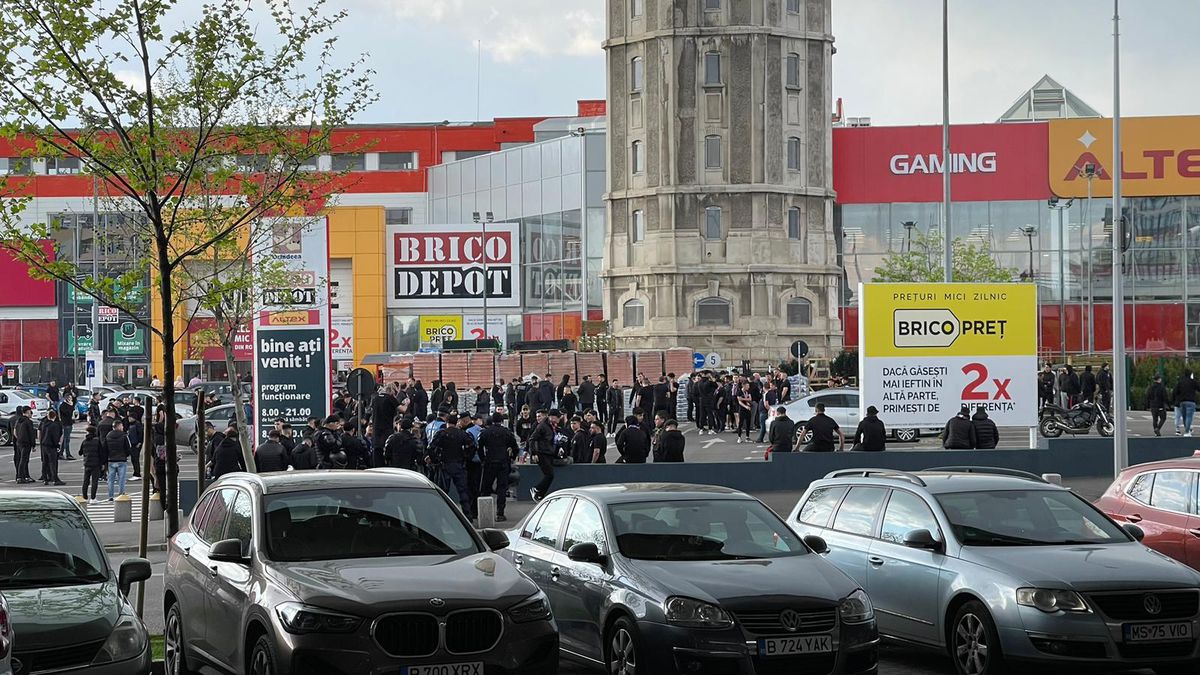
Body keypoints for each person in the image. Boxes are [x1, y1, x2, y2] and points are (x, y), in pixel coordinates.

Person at [428, 411, 477, 516]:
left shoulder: (442, 433)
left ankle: (442, 515)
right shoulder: (462, 434)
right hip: (459, 464)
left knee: (443, 492)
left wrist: (436, 459)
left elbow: (431, 448)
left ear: (447, 421)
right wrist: (467, 456)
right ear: (457, 422)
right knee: (463, 491)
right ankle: (468, 515)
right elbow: (472, 446)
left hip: (445, 464)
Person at [478, 414, 519, 522]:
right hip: (503, 462)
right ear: (501, 421)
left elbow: (479, 447)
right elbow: (515, 447)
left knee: (486, 488)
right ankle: (500, 513)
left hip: (489, 461)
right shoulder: (507, 432)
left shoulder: (485, 432)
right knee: (502, 488)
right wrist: (511, 457)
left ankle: (484, 513)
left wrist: (483, 459)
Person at [528, 409, 558, 501]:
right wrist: (534, 453)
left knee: (550, 475)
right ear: (551, 417)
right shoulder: (542, 426)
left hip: (548, 452)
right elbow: (532, 439)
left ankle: (540, 493)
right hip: (542, 453)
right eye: (557, 417)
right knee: (549, 474)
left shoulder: (551, 426)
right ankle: (537, 489)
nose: (558, 419)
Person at [370, 385, 399, 466]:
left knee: (377, 453)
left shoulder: (375, 399)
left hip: (376, 432)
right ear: (392, 391)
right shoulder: (390, 398)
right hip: (387, 431)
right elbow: (402, 409)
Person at [105, 419, 131, 500]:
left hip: (111, 459)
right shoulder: (124, 435)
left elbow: (105, 448)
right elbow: (128, 448)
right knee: (122, 479)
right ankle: (121, 494)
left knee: (111, 479)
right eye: (122, 425)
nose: (123, 427)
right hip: (121, 459)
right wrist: (126, 455)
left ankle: (110, 495)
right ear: (119, 426)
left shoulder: (108, 435)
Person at [38, 410, 64, 485]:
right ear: (55, 416)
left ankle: (45, 479)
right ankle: (55, 479)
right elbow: (56, 436)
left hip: (44, 445)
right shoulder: (55, 425)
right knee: (53, 463)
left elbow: (40, 434)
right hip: (52, 446)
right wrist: (58, 445)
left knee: (45, 462)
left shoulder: (44, 424)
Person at [79, 426, 103, 502]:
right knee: (94, 481)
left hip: (87, 463)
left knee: (86, 481)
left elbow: (80, 452)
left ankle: (84, 496)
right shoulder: (97, 441)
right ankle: (93, 498)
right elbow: (101, 452)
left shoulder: (84, 441)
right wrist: (102, 463)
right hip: (96, 464)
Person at [13, 407, 35, 484]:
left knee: (21, 459)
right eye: (30, 412)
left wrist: (19, 438)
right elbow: (31, 434)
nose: (31, 413)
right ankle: (21, 477)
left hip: (19, 442)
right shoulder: (28, 422)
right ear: (27, 412)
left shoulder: (18, 421)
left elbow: (15, 432)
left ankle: (23, 476)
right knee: (24, 460)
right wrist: (33, 445)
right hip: (26, 443)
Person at [1175, 370, 1198, 437]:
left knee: (1184, 417)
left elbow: (1176, 391)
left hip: (1182, 402)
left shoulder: (1180, 382)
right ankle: (1187, 431)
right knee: (1189, 417)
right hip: (1191, 401)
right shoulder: (1193, 382)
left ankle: (1186, 430)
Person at [58, 392, 76, 460]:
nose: (71, 400)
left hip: (69, 423)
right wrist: (71, 406)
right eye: (70, 398)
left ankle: (61, 453)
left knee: (65, 439)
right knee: (66, 440)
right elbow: (68, 413)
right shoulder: (63, 406)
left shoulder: (69, 405)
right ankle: (67, 454)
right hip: (65, 424)